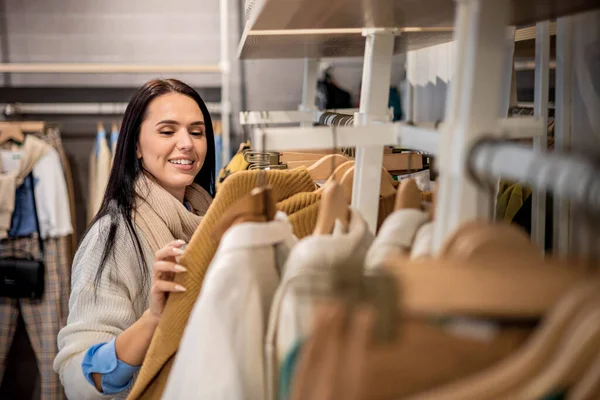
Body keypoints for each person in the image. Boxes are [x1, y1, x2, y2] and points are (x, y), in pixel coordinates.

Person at [54, 79, 216, 399]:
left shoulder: (210, 223)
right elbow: (78, 379)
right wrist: (155, 318)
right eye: (168, 131)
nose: (186, 143)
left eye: (197, 132)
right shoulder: (112, 236)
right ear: (137, 147)